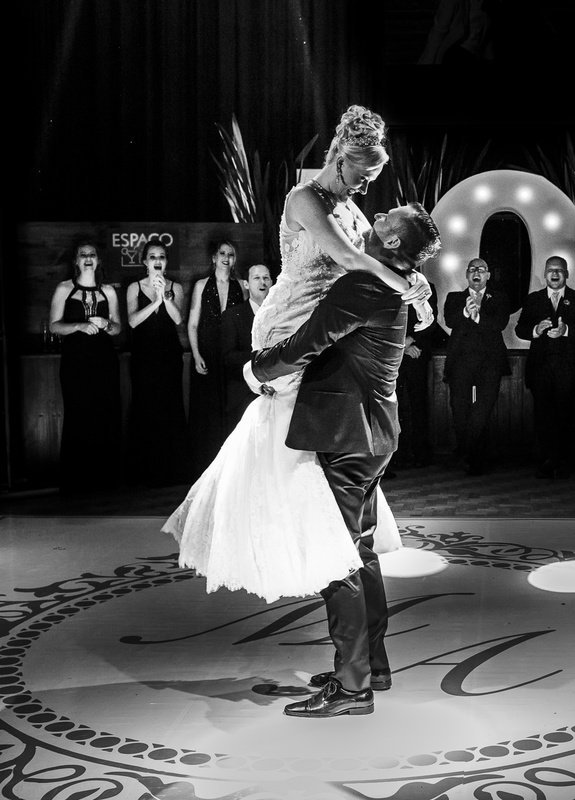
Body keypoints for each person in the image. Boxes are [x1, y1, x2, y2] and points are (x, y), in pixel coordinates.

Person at [164, 105, 432, 604]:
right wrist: (407, 286)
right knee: (290, 446)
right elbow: (352, 258)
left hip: (322, 323)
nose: (367, 186)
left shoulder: (352, 208)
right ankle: (308, 541)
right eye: (364, 173)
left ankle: (325, 540)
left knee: (308, 447)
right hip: (289, 320)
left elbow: (372, 259)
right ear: (341, 157)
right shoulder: (304, 198)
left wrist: (412, 278)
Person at [245, 201, 440, 719]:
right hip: (371, 435)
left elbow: (309, 341)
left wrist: (259, 368)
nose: (375, 221)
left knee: (338, 557)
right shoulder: (395, 280)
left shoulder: (365, 285)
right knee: (362, 551)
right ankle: (371, 664)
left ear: (394, 242)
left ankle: (352, 687)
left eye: (387, 221)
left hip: (349, 436)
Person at [48, 241, 123, 493]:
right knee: (78, 414)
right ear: (76, 261)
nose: (88, 258)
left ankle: (106, 480)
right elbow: (54, 326)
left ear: (98, 260)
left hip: (104, 361)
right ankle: (77, 482)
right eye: (83, 255)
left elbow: (117, 328)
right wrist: (79, 326)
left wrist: (106, 324)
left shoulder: (109, 292)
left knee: (105, 414)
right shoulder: (64, 289)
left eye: (92, 254)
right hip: (75, 362)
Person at [515, 256, 575, 478]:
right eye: (550, 270)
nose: (555, 274)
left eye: (559, 270)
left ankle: (560, 459)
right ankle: (550, 458)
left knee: (564, 414)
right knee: (543, 414)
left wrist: (567, 330)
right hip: (540, 369)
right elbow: (520, 329)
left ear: (567, 274)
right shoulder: (534, 299)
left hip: (569, 369)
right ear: (545, 273)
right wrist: (536, 331)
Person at [126, 240, 190, 486]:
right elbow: (132, 322)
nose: (157, 260)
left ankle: (173, 471)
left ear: (165, 261)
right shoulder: (134, 287)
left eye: (161, 256)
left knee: (169, 406)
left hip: (169, 355)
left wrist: (165, 296)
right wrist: (154, 302)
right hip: (143, 354)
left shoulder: (176, 286)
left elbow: (177, 319)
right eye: (152, 256)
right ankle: (144, 473)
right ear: (145, 261)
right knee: (145, 406)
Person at [443, 258, 512, 475]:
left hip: (490, 363)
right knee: (460, 409)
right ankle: (472, 455)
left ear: (488, 275)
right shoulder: (455, 298)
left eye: (481, 270)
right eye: (472, 269)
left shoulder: (499, 298)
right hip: (461, 362)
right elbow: (450, 320)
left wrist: (478, 316)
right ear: (466, 274)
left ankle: (467, 453)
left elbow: (499, 324)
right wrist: (465, 313)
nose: (476, 273)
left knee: (482, 410)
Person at [187, 240, 246, 472]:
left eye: (230, 254)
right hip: (207, 352)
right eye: (221, 253)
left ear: (234, 259)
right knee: (207, 408)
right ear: (213, 257)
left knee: (231, 406)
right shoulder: (202, 285)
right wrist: (196, 354)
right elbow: (192, 324)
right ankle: (205, 463)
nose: (225, 257)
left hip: (231, 354)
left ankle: (230, 464)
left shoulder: (241, 285)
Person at [392, 266, 443, 471]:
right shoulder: (386, 286)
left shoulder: (428, 287)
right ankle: (395, 457)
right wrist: (402, 346)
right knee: (394, 407)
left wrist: (411, 342)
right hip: (392, 356)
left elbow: (430, 324)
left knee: (418, 405)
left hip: (417, 355)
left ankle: (421, 454)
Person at [218, 263, 273, 432]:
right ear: (246, 284)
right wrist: (262, 358)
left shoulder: (280, 314)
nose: (262, 282)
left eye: (266, 278)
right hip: (244, 393)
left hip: (278, 392)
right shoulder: (232, 315)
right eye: (256, 278)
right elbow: (228, 356)